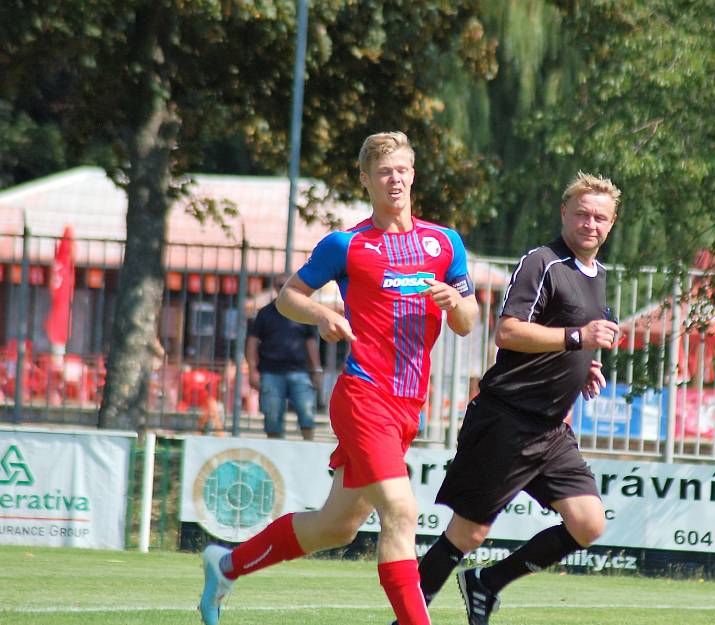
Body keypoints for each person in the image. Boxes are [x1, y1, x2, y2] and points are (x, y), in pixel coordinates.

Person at [198, 131, 479, 625]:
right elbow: (288, 297)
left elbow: (468, 322)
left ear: (413, 175)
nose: (395, 180)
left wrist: (457, 303)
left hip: (408, 405)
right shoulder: (347, 245)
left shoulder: (444, 242)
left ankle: (226, 565)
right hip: (362, 395)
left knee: (336, 527)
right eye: (384, 172)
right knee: (401, 509)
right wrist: (321, 316)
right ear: (366, 179)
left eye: (402, 170)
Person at [405, 172, 621, 625]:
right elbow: (508, 331)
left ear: (612, 222)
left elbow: (568, 340)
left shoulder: (599, 275)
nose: (590, 223)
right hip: (507, 420)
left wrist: (584, 366)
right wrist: (578, 340)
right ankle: (405, 619)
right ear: (564, 213)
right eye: (581, 213)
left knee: (588, 523)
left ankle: (486, 584)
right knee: (468, 533)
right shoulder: (541, 263)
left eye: (600, 217)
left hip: (552, 431)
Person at [246, 275, 322, 440]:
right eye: (280, 285)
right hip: (271, 371)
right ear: (275, 287)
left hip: (300, 371)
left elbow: (311, 343)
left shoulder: (302, 312)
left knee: (307, 414)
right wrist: (252, 370)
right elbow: (252, 341)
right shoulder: (265, 313)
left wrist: (316, 369)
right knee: (272, 417)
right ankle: (274, 453)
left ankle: (308, 450)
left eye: (286, 285)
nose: (283, 288)